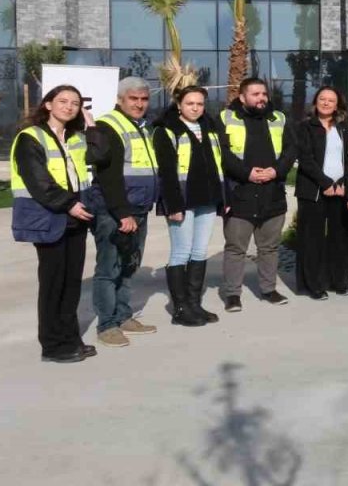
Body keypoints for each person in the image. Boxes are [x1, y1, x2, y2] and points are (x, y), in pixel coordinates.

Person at [10, 85, 97, 363]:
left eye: (75, 103)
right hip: (49, 217)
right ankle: (52, 345)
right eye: (63, 101)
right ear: (48, 104)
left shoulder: (76, 138)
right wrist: (69, 204)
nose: (69, 107)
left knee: (71, 284)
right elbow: (38, 181)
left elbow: (101, 156)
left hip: (75, 219)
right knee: (53, 285)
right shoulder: (30, 138)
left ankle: (70, 338)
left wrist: (92, 127)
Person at [86, 77, 159, 348]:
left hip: (137, 208)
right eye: (133, 99)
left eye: (144, 99)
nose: (139, 104)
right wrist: (122, 213)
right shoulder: (108, 126)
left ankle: (123, 315)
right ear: (120, 99)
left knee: (128, 265)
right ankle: (107, 325)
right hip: (115, 211)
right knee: (109, 267)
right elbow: (108, 175)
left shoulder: (140, 126)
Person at [217, 77, 296, 311]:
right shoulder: (225, 118)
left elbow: (291, 149)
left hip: (272, 194)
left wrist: (276, 171)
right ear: (242, 97)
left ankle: (269, 289)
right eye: (255, 94)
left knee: (269, 248)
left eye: (263, 94)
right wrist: (247, 173)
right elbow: (222, 153)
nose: (261, 98)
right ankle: (232, 294)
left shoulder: (279, 118)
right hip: (239, 193)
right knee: (235, 248)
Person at [152, 85, 224, 327]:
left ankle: (194, 304)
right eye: (190, 103)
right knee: (181, 252)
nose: (195, 108)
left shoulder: (210, 128)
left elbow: (217, 165)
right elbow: (166, 172)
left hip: (207, 199)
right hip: (182, 200)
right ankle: (180, 308)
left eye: (200, 104)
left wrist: (223, 199)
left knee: (200, 251)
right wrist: (173, 204)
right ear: (179, 105)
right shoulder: (166, 131)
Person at [291, 87, 348, 300]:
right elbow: (306, 158)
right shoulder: (304, 127)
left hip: (341, 190)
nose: (326, 103)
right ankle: (314, 284)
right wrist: (325, 183)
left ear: (338, 104)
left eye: (331, 100)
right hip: (313, 191)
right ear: (315, 101)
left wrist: (342, 184)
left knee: (341, 238)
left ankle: (340, 281)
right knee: (313, 239)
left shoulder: (346, 128)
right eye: (322, 99)